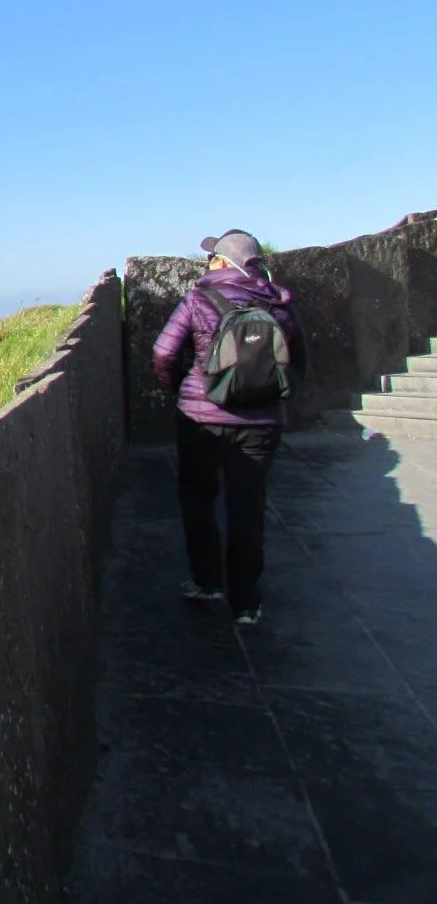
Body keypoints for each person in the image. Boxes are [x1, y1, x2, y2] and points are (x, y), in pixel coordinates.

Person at [151, 229, 308, 627]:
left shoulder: (199, 297)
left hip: (201, 418)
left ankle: (207, 582)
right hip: (262, 423)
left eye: (212, 258)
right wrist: (273, 397)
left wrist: (185, 390)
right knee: (247, 508)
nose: (208, 263)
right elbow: (297, 361)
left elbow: (164, 351)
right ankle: (246, 602)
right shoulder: (280, 303)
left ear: (223, 262)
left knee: (198, 499)